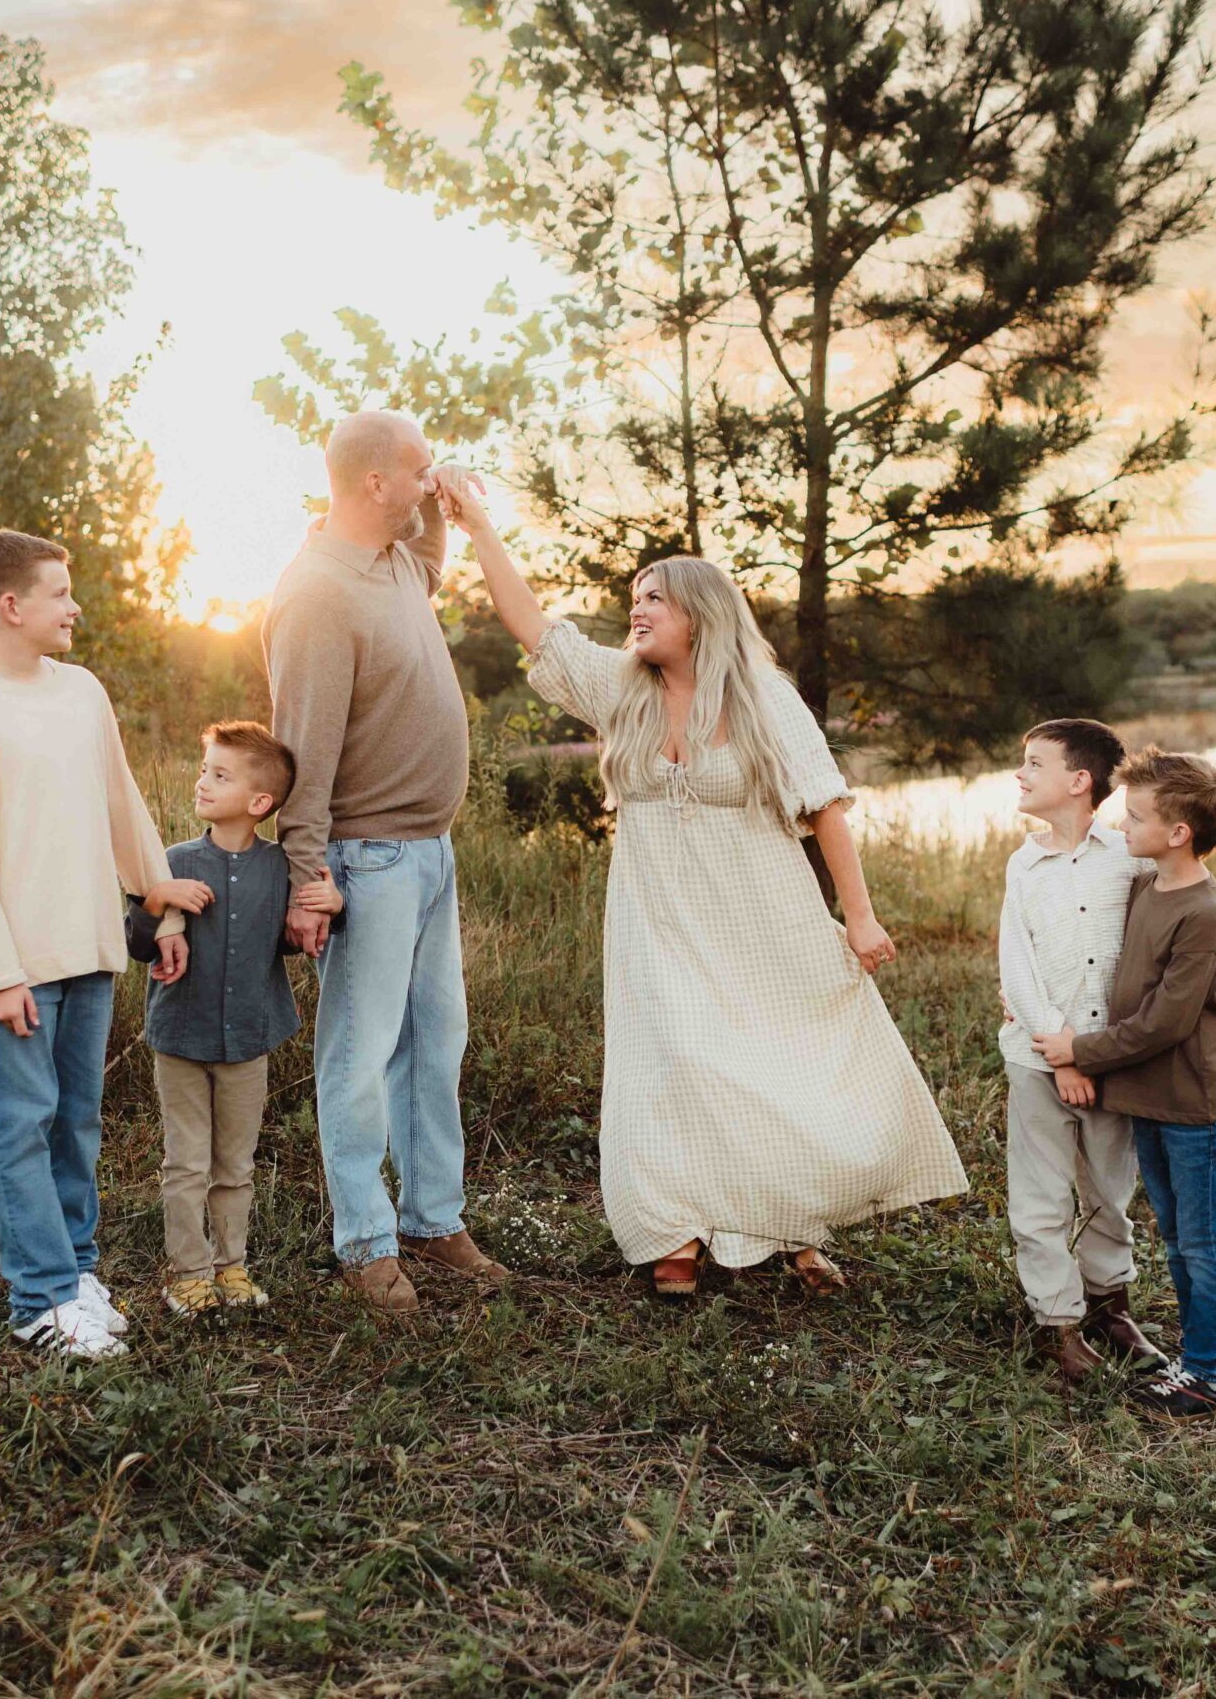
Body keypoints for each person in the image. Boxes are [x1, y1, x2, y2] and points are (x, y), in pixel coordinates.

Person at [441, 467, 965, 1296]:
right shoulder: (624, 690)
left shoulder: (763, 698)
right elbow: (535, 627)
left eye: (656, 598)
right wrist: (477, 528)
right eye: (634, 596)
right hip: (657, 913)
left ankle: (793, 1225)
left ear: (703, 616)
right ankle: (676, 1231)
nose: (638, 609)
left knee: (774, 1059)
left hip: (762, 909)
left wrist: (858, 918)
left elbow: (826, 804)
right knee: (671, 1059)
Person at [0, 528, 212, 1359]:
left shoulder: (83, 692)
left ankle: (77, 1272)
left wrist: (162, 905)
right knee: (19, 1127)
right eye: (58, 591)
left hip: (90, 950)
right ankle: (40, 1301)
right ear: (10, 607)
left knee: (76, 1123)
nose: (74, 605)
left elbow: (122, 804)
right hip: (16, 967)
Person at [262, 412, 506, 1315]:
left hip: (430, 855)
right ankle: (365, 1240)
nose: (429, 475)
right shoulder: (318, 592)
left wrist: (441, 511)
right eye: (417, 469)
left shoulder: (397, 562)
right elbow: (303, 753)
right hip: (364, 861)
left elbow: (433, 568)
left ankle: (434, 1220)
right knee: (361, 1056)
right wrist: (306, 880)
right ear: (373, 484)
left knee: (436, 1043)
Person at [998, 719, 1216, 1387]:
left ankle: (1111, 1304)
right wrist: (1063, 1056)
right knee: (1043, 1194)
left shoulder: (1129, 855)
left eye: (1033, 763)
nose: (1019, 775)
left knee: (1110, 1189)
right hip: (1041, 1055)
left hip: (1116, 1063)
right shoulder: (1025, 865)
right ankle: (1057, 1320)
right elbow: (1015, 967)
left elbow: (1184, 897)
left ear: (1078, 782)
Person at [134, 722, 344, 1318]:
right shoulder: (174, 862)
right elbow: (137, 939)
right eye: (205, 769)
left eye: (219, 775)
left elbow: (308, 931)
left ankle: (231, 1268)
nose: (203, 781)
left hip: (249, 1039)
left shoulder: (282, 870)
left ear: (259, 804)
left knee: (235, 1166)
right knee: (185, 1163)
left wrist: (337, 904)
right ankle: (189, 1275)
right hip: (180, 1037)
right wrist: (158, 903)